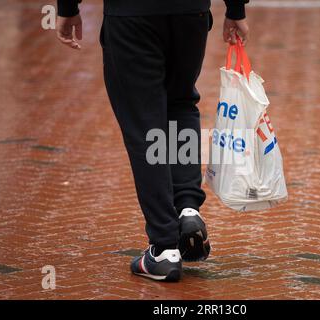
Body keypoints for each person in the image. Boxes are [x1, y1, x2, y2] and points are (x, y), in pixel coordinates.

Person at [56, 0, 250, 282]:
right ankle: (186, 208)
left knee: (144, 125)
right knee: (181, 104)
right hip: (189, 13)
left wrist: (67, 7)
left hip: (132, 15)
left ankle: (163, 247)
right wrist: (235, 10)